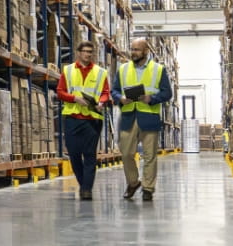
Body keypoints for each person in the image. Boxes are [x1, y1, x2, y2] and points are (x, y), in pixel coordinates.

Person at [114, 38, 173, 201]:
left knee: (149, 156)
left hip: (149, 117)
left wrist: (151, 98)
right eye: (132, 49)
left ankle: (148, 188)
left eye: (137, 50)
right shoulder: (123, 69)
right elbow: (114, 91)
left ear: (146, 51)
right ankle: (133, 182)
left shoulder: (159, 70)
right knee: (126, 153)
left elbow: (167, 93)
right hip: (129, 116)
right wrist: (120, 98)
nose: (133, 52)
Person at [56, 42, 110, 200]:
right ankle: (83, 184)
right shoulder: (68, 70)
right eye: (85, 51)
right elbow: (60, 92)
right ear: (78, 52)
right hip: (72, 118)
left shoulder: (100, 72)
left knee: (89, 155)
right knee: (74, 154)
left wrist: (101, 102)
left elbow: (105, 92)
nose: (87, 54)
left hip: (92, 119)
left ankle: (87, 189)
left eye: (90, 52)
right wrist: (75, 99)